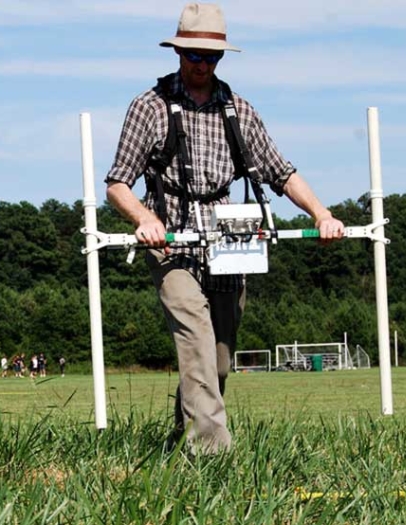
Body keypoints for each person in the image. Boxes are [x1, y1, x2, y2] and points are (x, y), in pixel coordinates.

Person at [105, 3, 345, 453]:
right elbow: (117, 184)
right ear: (178, 53)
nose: (202, 65)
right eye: (194, 55)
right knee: (195, 339)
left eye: (211, 57)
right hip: (172, 241)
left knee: (216, 361)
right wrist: (145, 219)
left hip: (228, 240)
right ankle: (212, 456)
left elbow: (282, 173)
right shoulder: (149, 107)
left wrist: (321, 213)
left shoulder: (239, 111)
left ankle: (181, 441)